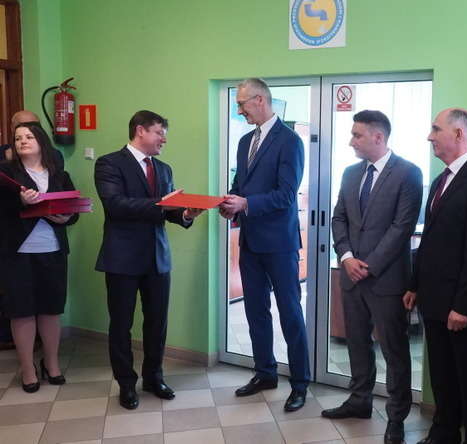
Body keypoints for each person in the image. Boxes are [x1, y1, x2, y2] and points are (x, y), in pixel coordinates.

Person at [404, 109, 467, 444]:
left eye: (436, 129)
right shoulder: (440, 181)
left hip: (465, 308)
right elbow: (431, 241)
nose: (429, 136)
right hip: (434, 301)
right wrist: (415, 285)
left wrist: (463, 306)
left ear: (459, 134)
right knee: (443, 378)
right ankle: (443, 434)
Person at [94, 110, 203, 410]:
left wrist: (185, 213)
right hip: (122, 259)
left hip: (157, 258)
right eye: (159, 133)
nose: (163, 139)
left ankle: (154, 378)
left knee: (157, 324)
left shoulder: (164, 169)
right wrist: (162, 204)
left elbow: (169, 212)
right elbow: (116, 206)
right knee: (121, 325)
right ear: (140, 131)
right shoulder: (109, 163)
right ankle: (126, 384)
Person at [327, 110, 423, 444]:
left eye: (357, 135)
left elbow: (402, 227)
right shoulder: (350, 173)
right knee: (357, 342)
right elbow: (338, 218)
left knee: (394, 350)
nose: (351, 141)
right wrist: (347, 258)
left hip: (387, 280)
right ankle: (359, 400)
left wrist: (368, 265)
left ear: (378, 137)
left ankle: (396, 417)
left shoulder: (408, 173)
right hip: (351, 276)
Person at [219, 78, 309, 412]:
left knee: (290, 313)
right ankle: (265, 373)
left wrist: (246, 204)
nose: (239, 110)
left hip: (280, 244)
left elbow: (286, 195)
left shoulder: (290, 141)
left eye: (241, 104)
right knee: (255, 311)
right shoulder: (245, 142)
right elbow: (239, 185)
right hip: (251, 242)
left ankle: (299, 384)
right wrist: (229, 203)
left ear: (259, 100)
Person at [0, 122, 79, 392]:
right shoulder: (6, 173)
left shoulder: (60, 174)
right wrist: (21, 202)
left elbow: (73, 208)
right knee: (21, 311)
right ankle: (27, 369)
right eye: (18, 138)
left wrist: (67, 217)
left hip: (53, 251)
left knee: (51, 309)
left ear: (42, 141)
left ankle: (52, 364)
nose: (22, 141)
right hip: (17, 253)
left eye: (29, 136)